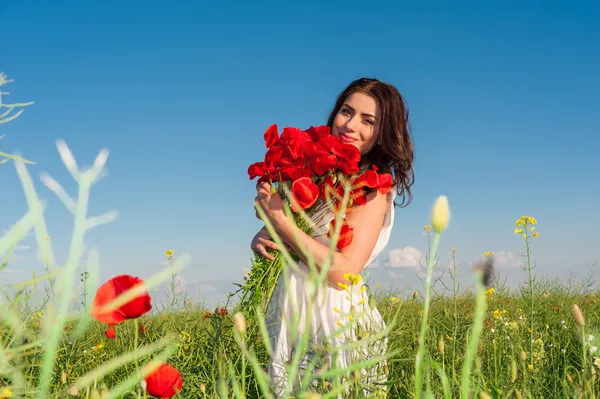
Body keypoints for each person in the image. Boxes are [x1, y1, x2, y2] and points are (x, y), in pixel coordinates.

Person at [251, 77, 415, 397]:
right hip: (290, 313)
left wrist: (281, 223)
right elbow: (294, 234)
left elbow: (343, 272)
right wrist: (264, 235)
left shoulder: (374, 188)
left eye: (368, 120)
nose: (350, 125)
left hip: (334, 323)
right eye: (346, 111)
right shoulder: (318, 173)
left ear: (384, 132)